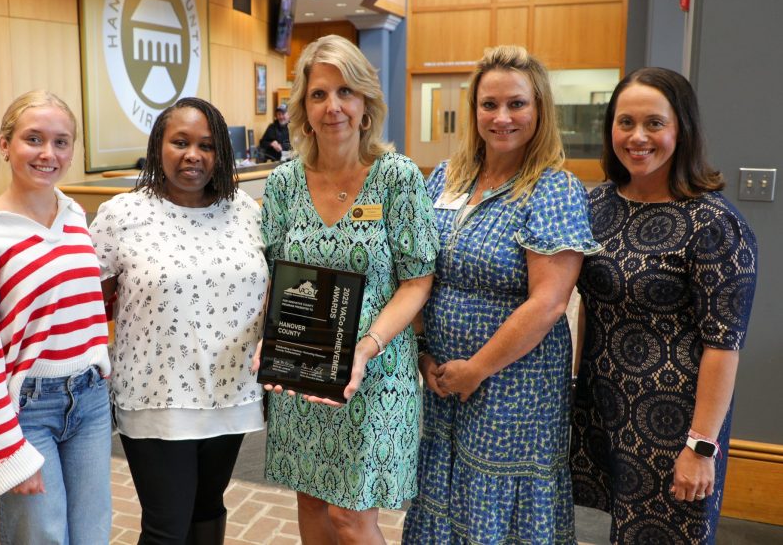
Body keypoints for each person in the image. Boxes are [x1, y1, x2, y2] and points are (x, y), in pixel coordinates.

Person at [402, 45, 598, 544]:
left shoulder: (554, 189)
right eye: (489, 105)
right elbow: (420, 273)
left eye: (517, 104)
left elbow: (549, 303)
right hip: (444, 377)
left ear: (539, 110)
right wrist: (425, 353)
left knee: (493, 506)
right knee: (442, 495)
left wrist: (478, 368)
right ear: (474, 112)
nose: (502, 117)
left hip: (515, 383)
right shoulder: (446, 177)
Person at [257, 35, 438, 544]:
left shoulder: (397, 178)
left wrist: (365, 347)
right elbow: (276, 272)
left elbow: (417, 280)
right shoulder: (284, 182)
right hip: (304, 364)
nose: (332, 106)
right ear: (304, 108)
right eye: (318, 94)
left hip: (374, 370)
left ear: (365, 105)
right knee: (312, 504)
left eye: (345, 92)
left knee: (351, 518)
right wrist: (268, 338)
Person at [571, 68, 758, 544]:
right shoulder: (600, 206)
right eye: (625, 121)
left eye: (654, 123)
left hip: (674, 419)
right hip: (606, 407)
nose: (637, 137)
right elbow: (590, 307)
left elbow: (724, 346)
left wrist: (700, 446)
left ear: (682, 130)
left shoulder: (713, 223)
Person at [88, 97, 268, 545]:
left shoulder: (246, 210)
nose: (194, 155)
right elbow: (93, 303)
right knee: (166, 526)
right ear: (158, 146)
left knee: (209, 507)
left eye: (207, 145)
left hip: (229, 391)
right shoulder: (123, 214)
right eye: (181, 142)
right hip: (156, 395)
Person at [0, 91, 112, 544]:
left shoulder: (76, 218)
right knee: (41, 537)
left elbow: (85, 308)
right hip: (27, 410)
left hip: (90, 401)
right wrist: (3, 450)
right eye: (33, 139)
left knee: (92, 536)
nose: (48, 153)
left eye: (61, 142)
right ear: (4, 145)